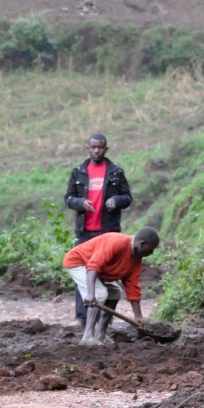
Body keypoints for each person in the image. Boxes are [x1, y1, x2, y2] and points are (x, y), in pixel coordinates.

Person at [64, 134, 133, 323]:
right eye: (93, 147)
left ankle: (105, 319)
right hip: (85, 231)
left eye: (100, 147)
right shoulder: (78, 172)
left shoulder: (116, 172)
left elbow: (127, 197)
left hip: (107, 231)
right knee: (83, 274)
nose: (96, 151)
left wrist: (115, 200)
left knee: (107, 274)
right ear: (88, 148)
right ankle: (81, 318)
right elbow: (68, 199)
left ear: (106, 149)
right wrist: (80, 202)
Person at [63, 226, 159, 345]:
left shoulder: (136, 259)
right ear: (142, 244)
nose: (151, 253)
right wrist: (91, 293)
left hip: (97, 269)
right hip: (79, 262)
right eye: (151, 249)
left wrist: (138, 317)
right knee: (99, 294)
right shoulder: (117, 242)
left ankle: (100, 335)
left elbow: (132, 286)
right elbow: (93, 266)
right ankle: (87, 336)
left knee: (115, 293)